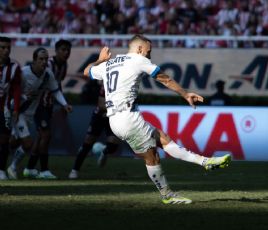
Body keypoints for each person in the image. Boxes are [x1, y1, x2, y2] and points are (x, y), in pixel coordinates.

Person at [83, 35, 231, 204]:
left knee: (163, 139)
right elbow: (165, 79)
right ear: (139, 49)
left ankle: (206, 161)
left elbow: (87, 71)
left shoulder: (109, 63)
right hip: (127, 118)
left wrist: (99, 60)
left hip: (116, 119)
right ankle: (167, 195)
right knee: (152, 157)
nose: (149, 55)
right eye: (149, 51)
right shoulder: (138, 60)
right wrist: (185, 94)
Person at [7, 47, 72, 179]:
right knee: (28, 144)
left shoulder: (48, 74)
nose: (44, 62)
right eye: (41, 59)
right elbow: (12, 94)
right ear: (34, 60)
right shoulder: (23, 73)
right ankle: (12, 167)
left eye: (46, 59)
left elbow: (55, 90)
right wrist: (24, 97)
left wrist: (65, 104)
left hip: (30, 114)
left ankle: (12, 165)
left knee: (13, 143)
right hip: (18, 112)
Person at [68, 84, 121, 179]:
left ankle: (103, 151)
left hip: (113, 117)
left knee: (113, 146)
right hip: (100, 116)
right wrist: (118, 108)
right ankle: (74, 170)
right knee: (87, 143)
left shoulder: (126, 86)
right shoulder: (108, 84)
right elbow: (101, 105)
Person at [0, 36, 22, 180]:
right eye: (2, 48)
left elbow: (16, 89)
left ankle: (1, 170)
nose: (6, 50)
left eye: (8, 48)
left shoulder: (14, 67)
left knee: (4, 140)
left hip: (5, 109)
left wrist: (16, 109)